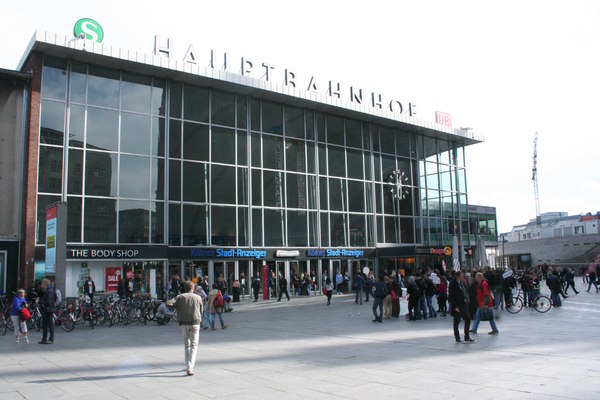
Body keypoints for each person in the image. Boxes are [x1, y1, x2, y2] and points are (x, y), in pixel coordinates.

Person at [166, 281, 204, 375]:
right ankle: (190, 367)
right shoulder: (198, 297)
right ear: (193, 288)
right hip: (195, 322)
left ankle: (187, 364)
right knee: (194, 345)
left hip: (183, 322)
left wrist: (177, 307)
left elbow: (169, 303)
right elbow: (201, 310)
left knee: (187, 344)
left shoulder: (180, 297)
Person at [449, 271, 474, 343]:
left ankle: (467, 336)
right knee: (456, 321)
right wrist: (455, 306)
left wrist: (467, 299)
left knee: (468, 319)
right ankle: (457, 337)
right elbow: (452, 296)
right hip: (458, 305)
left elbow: (465, 291)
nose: (463, 277)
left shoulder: (462, 283)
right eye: (462, 275)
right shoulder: (453, 283)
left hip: (464, 304)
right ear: (458, 276)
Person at [38, 278, 56, 344]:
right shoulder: (46, 291)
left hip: (48, 310)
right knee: (44, 325)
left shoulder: (50, 291)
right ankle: (44, 338)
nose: (41, 284)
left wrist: (40, 302)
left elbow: (49, 302)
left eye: (42, 283)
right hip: (45, 310)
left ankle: (51, 339)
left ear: (45, 284)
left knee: (50, 325)